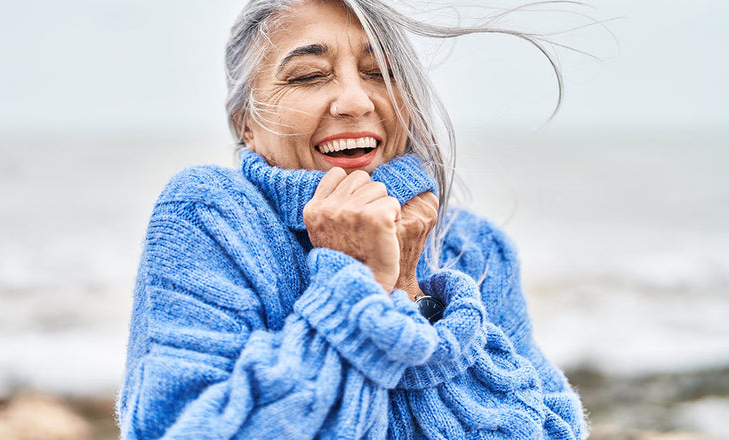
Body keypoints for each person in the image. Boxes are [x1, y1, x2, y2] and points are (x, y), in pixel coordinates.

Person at [117, 0, 588, 438]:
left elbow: (553, 427)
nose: (355, 102)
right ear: (246, 121)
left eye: (380, 72)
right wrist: (356, 284)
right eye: (308, 76)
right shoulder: (210, 214)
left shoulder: (476, 246)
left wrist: (407, 290)